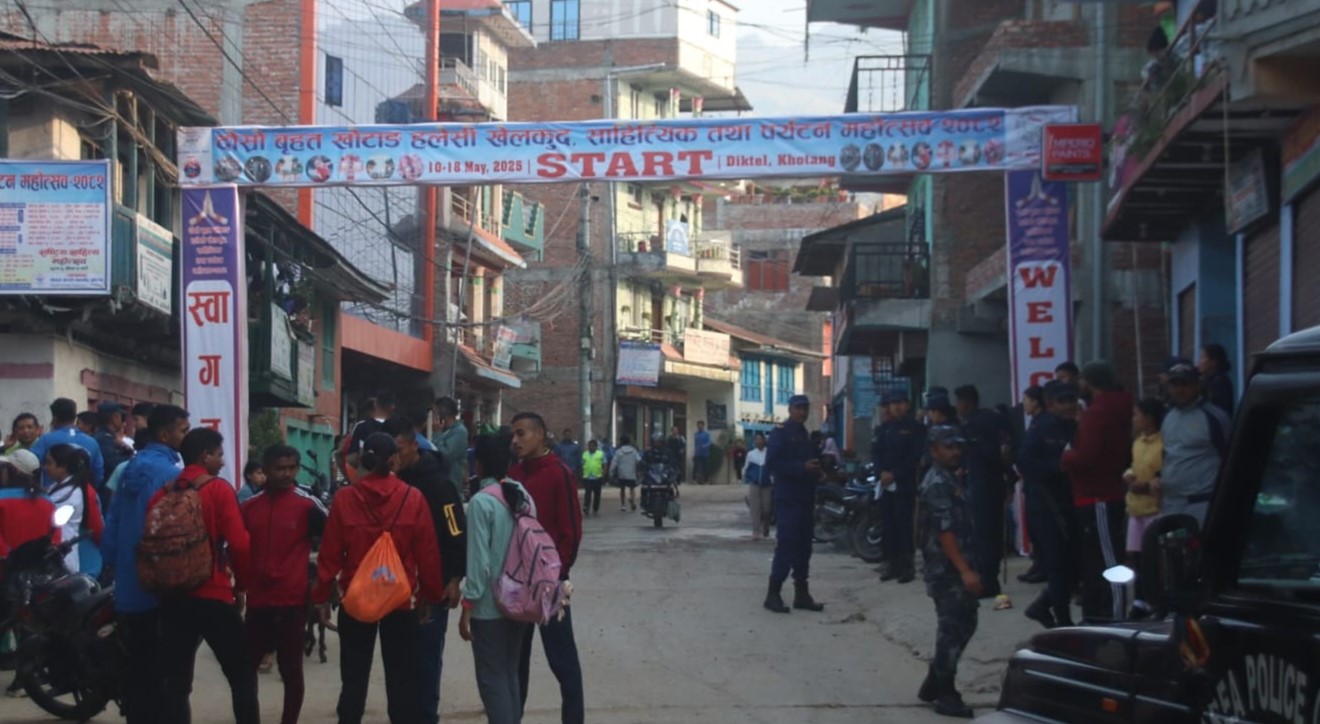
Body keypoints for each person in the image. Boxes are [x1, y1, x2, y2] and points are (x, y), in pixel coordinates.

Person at [315, 432, 444, 724]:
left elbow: (330, 554)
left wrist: (321, 596)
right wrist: (430, 596)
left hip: (356, 599)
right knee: (402, 682)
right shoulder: (412, 497)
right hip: (399, 599)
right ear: (394, 460)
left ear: (362, 461)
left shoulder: (345, 498)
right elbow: (428, 554)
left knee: (353, 679)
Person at [100, 403, 189, 724]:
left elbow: (113, 523)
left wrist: (112, 563)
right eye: (183, 431)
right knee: (167, 673)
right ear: (165, 434)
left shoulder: (129, 469)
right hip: (159, 586)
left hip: (129, 585)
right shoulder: (171, 475)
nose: (186, 436)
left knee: (136, 665)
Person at [384, 415, 467, 724]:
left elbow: (456, 532)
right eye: (389, 453)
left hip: (432, 588)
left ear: (413, 446)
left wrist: (454, 577)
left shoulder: (439, 485)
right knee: (396, 664)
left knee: (426, 662)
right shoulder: (387, 484)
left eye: (399, 450)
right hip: (392, 588)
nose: (394, 459)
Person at [242, 444, 329, 724]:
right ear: (266, 469)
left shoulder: (308, 504)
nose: (287, 474)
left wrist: (323, 590)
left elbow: (332, 542)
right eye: (280, 468)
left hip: (292, 600)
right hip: (257, 601)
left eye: (292, 468)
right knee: (246, 670)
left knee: (291, 670)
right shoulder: (249, 507)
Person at [508, 412, 585, 724]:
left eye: (521, 433)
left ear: (540, 434)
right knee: (516, 662)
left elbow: (572, 531)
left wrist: (557, 573)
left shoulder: (559, 473)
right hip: (518, 584)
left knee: (563, 661)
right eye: (513, 435)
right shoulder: (514, 474)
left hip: (551, 584)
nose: (515, 440)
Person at [460, 430, 534, 724]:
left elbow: (478, 563)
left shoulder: (481, 503)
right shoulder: (522, 494)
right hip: (521, 599)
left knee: (491, 678)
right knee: (509, 673)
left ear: (478, 465)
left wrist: (468, 605)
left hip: (489, 606)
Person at [1060, 360, 1133, 624]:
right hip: (1103, 491)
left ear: (1090, 382)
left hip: (1098, 494)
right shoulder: (1117, 409)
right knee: (1099, 559)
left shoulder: (1098, 413)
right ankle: (1098, 613)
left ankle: (1115, 614)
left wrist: (1067, 456)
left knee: (1107, 559)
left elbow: (1087, 456)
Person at [916, 425, 979, 719]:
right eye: (948, 447)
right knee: (952, 627)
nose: (955, 452)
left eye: (957, 447)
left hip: (956, 564)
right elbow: (945, 532)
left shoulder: (951, 477)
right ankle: (945, 691)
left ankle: (935, 679)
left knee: (966, 622)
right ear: (934, 450)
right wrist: (964, 570)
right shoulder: (937, 483)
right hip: (946, 568)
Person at [1017, 382, 1080, 629]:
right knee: (1057, 563)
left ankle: (1043, 606)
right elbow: (1024, 462)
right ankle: (1062, 618)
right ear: (1051, 404)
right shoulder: (1042, 427)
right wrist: (1058, 468)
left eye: (1071, 400)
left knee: (1072, 562)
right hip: (1045, 503)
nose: (1069, 406)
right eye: (1062, 402)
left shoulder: (1073, 426)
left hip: (1068, 502)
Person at [0, 449, 57, 698]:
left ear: (12, 471)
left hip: (7, 569)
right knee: (29, 622)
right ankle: (25, 677)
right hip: (39, 572)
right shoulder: (47, 501)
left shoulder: (2, 499)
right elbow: (55, 536)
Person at [763, 395, 826, 614]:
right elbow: (773, 463)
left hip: (806, 497)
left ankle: (802, 593)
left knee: (804, 546)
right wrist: (801, 468)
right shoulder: (780, 433)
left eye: (805, 409)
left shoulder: (804, 435)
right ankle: (773, 593)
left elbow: (810, 461)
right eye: (798, 408)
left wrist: (819, 472)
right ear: (790, 410)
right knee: (787, 543)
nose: (802, 412)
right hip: (788, 497)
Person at [953, 385, 1011, 600]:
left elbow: (982, 453)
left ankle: (987, 581)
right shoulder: (995, 418)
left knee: (982, 534)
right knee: (993, 532)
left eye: (959, 402)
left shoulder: (972, 424)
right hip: (996, 482)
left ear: (965, 403)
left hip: (982, 483)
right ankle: (989, 577)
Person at [1159, 359, 1229, 526]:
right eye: (1175, 385)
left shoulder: (1213, 417)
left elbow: (1230, 455)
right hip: (1171, 503)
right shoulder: (1168, 417)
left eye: (1185, 384)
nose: (1179, 390)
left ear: (1197, 386)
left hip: (1202, 503)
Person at [876, 390, 924, 584]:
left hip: (904, 484)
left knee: (903, 526)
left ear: (907, 405)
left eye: (900, 403)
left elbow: (915, 456)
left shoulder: (915, 428)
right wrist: (881, 472)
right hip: (885, 485)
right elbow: (876, 453)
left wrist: (895, 473)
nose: (896, 406)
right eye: (893, 403)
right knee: (888, 526)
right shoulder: (884, 428)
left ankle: (906, 567)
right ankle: (891, 564)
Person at [1124, 398, 1165, 618]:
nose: (1133, 419)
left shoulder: (1164, 443)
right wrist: (1129, 476)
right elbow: (1133, 466)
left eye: (1136, 415)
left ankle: (1157, 600)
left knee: (1155, 558)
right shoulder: (1138, 442)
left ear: (1149, 417)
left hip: (1155, 508)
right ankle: (1140, 599)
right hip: (1136, 507)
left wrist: (1149, 485)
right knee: (1136, 556)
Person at [43, 444, 103, 574]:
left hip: (62, 557)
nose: (45, 467)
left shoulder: (71, 494)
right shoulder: (59, 487)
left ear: (63, 467)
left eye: (49, 463)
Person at [30, 398, 104, 490]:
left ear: (54, 417)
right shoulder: (92, 442)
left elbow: (29, 465)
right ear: (74, 417)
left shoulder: (46, 440)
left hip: (51, 495)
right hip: (82, 493)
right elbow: (98, 473)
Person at [93, 402, 134, 500]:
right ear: (115, 417)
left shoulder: (107, 437)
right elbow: (114, 464)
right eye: (120, 416)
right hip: (106, 492)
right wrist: (129, 455)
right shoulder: (104, 439)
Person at [433, 397, 470, 500]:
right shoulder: (444, 430)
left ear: (444, 414)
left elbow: (445, 456)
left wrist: (437, 434)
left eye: (436, 413)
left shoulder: (459, 432)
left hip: (452, 488)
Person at [743, 432, 771, 540]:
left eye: (760, 439)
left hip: (767, 484)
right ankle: (756, 531)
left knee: (766, 508)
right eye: (756, 439)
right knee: (755, 508)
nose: (758, 441)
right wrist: (748, 478)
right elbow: (746, 467)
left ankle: (765, 528)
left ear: (764, 440)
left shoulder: (769, 453)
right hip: (754, 483)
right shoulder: (751, 454)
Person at [1199, 343, 1235, 418]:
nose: (1199, 362)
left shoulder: (1220, 382)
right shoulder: (1207, 380)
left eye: (1202, 357)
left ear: (1213, 362)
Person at [608, 434, 640, 512]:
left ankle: (623, 505)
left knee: (622, 489)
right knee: (632, 488)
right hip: (631, 473)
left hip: (621, 473)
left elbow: (614, 463)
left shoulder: (618, 452)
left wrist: (610, 473)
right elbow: (638, 460)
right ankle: (631, 498)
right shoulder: (634, 451)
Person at [580, 439, 605, 516]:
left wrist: (603, 473)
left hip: (597, 476)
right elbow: (582, 464)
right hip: (587, 477)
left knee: (597, 494)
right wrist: (581, 473)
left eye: (593, 446)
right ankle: (586, 507)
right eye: (590, 446)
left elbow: (604, 463)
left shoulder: (600, 454)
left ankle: (595, 508)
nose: (591, 447)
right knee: (588, 493)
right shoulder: (585, 454)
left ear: (596, 447)